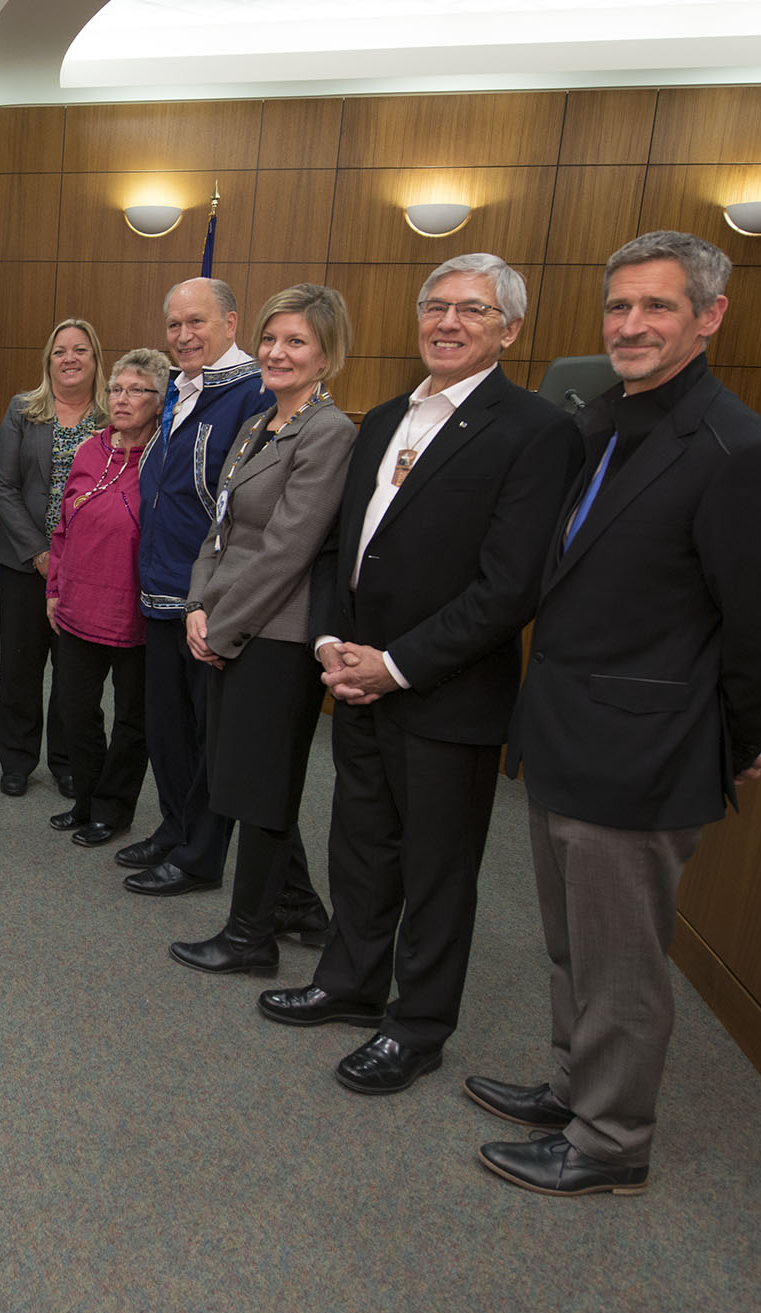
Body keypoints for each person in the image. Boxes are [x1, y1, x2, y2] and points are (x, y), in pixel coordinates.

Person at [472, 231, 761, 1197]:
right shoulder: (598, 425)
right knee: (571, 940)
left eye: (657, 307)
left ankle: (611, 1141)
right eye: (620, 306)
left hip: (644, 753)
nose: (630, 324)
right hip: (566, 729)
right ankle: (575, 1085)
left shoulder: (738, 452)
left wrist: (723, 743)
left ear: (708, 316)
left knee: (623, 961)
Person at [255, 256, 580, 1097]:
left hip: (445, 692)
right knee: (360, 845)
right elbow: (341, 548)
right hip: (354, 678)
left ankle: (417, 1024)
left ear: (508, 329)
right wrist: (332, 641)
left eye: (471, 310)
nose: (446, 321)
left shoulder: (535, 430)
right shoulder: (386, 417)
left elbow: (510, 586)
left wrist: (396, 665)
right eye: (435, 306)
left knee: (438, 870)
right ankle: (351, 982)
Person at [125, 278, 322, 944]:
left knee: (220, 747)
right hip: (162, 591)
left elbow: (243, 519)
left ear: (230, 322)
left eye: (197, 322)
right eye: (173, 322)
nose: (182, 334)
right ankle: (178, 830)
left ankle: (201, 853)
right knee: (170, 731)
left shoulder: (253, 395)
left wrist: (213, 603)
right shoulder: (181, 390)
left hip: (215, 606)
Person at [169, 284, 357, 977]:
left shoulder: (330, 432)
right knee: (244, 775)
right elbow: (218, 526)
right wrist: (197, 603)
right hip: (225, 617)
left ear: (326, 354)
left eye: (297, 342)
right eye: (272, 339)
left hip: (275, 636)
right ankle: (300, 905)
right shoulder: (260, 424)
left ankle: (251, 937)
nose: (277, 353)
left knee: (260, 784)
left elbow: (289, 548)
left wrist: (221, 625)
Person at [44, 348, 167, 846]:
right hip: (76, 606)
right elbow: (63, 527)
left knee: (131, 720)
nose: (123, 398)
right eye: (117, 388)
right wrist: (53, 588)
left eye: (138, 390)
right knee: (76, 710)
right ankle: (87, 799)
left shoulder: (166, 455)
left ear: (160, 401)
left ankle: (113, 810)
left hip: (135, 611)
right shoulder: (90, 450)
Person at [0, 319, 105, 799]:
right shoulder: (24, 409)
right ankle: (17, 760)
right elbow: (3, 484)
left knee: (74, 671)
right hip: (25, 563)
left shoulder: (112, 414)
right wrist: (39, 552)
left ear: (96, 359)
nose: (70, 358)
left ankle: (67, 761)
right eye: (60, 351)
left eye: (80, 350)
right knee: (21, 664)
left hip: (89, 569)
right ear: (48, 361)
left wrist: (68, 562)